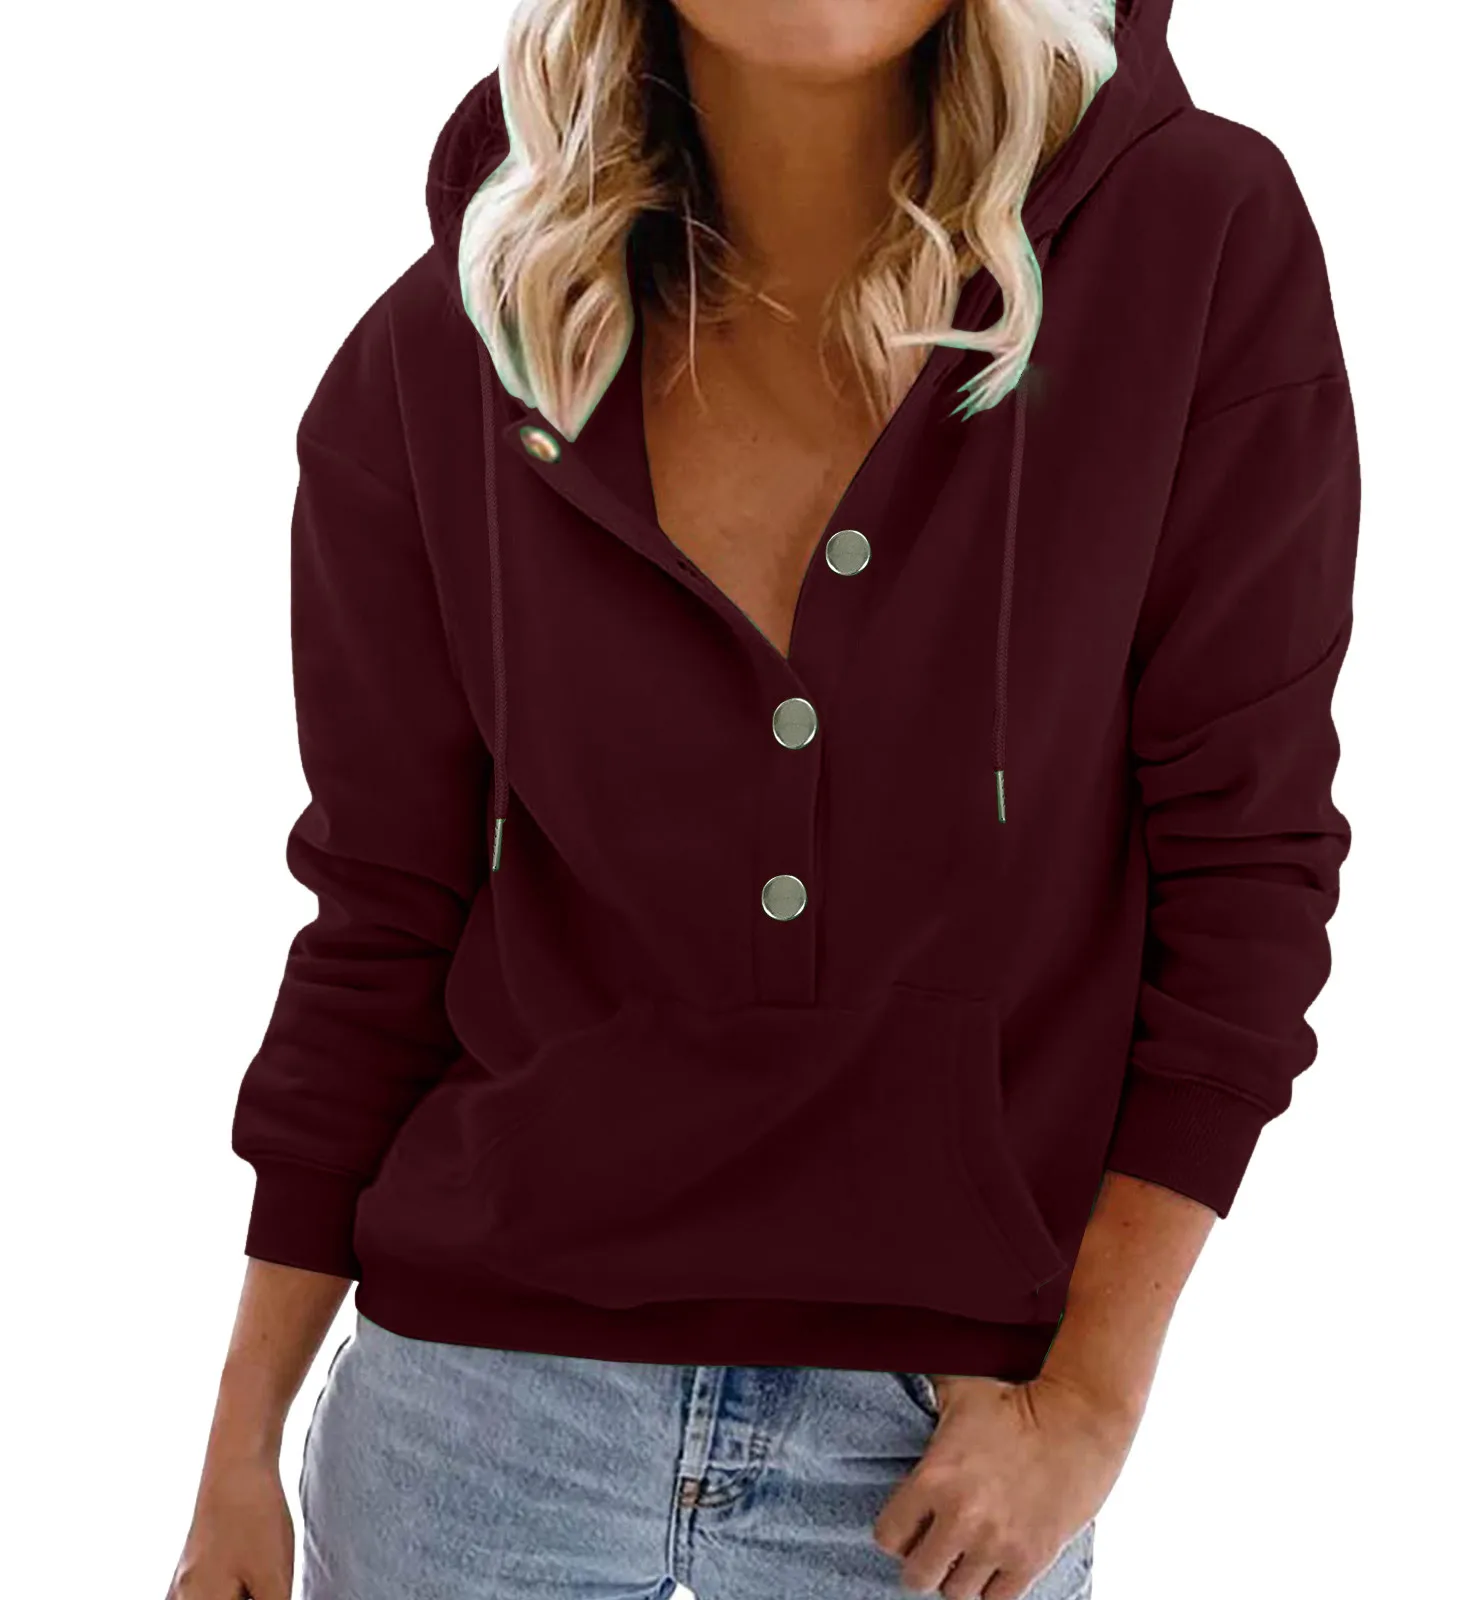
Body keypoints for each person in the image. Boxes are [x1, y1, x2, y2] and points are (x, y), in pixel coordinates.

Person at [167, 0, 1359, 1596]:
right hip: (471, 1430)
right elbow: (383, 921)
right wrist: (240, 1449)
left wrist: (1091, 1396)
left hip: (934, 1463)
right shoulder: (446, 356)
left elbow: (1248, 864)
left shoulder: (1189, 241)